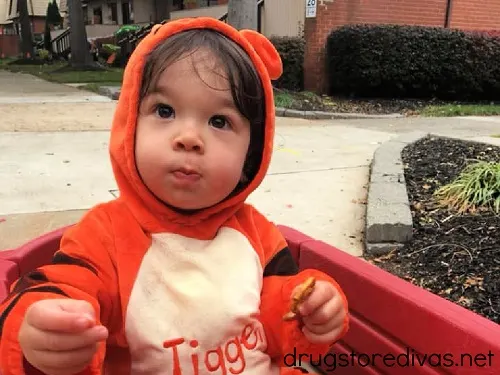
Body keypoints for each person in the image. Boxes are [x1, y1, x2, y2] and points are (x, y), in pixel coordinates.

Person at [0, 17, 349, 375]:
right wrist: (42, 334)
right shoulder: (104, 235)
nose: (189, 137)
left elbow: (279, 314)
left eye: (219, 121)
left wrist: (310, 311)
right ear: (129, 124)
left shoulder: (257, 234)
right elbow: (61, 288)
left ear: (251, 153)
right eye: (164, 111)